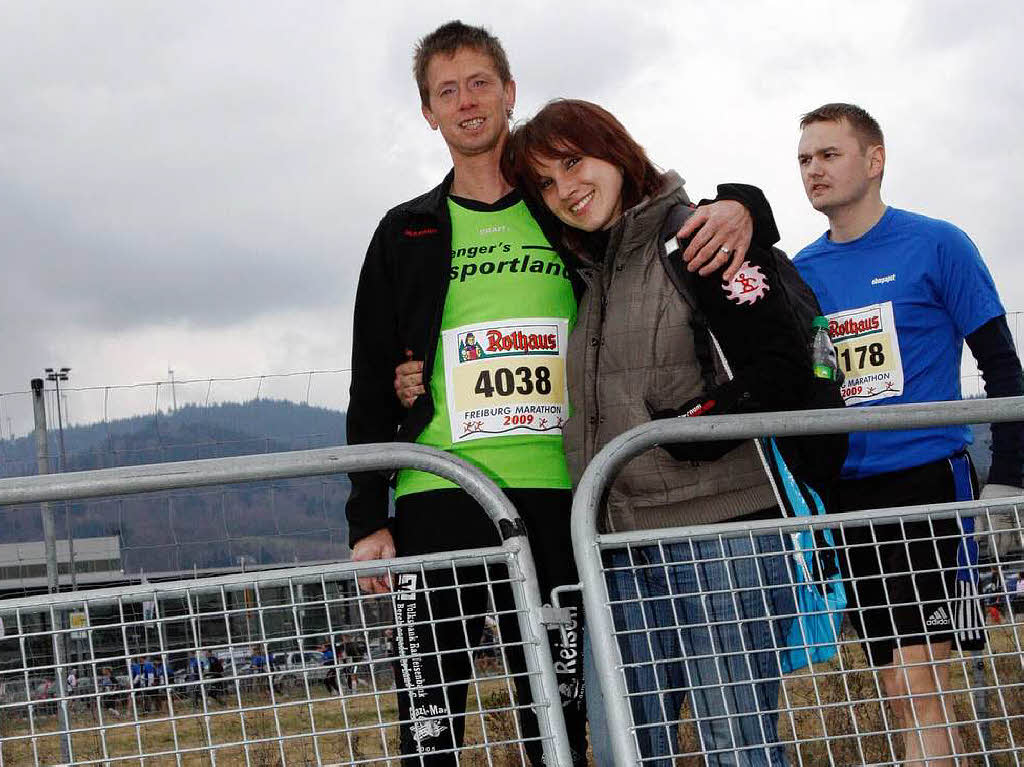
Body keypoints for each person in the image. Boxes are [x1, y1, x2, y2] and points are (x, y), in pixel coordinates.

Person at [347, 20, 759, 766]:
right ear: (428, 113)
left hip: (562, 490)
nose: (466, 101)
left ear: (509, 92)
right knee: (429, 718)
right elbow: (371, 375)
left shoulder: (566, 213)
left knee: (560, 719)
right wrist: (364, 513)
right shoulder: (405, 231)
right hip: (437, 488)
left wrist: (746, 204)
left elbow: (657, 227)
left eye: (479, 83)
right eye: (447, 90)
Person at [505, 99, 844, 767]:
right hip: (621, 548)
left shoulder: (694, 237)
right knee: (627, 746)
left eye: (574, 162)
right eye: (545, 182)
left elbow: (781, 370)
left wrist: (691, 432)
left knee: (734, 742)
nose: (565, 189)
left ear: (616, 150)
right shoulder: (594, 269)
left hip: (722, 537)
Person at [793, 102, 1024, 767]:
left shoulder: (936, 244)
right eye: (804, 159)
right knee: (895, 685)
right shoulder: (802, 271)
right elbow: (810, 382)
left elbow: (1003, 365)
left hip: (929, 483)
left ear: (875, 159)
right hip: (847, 496)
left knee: (919, 681)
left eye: (829, 154)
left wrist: (1008, 475)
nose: (814, 169)